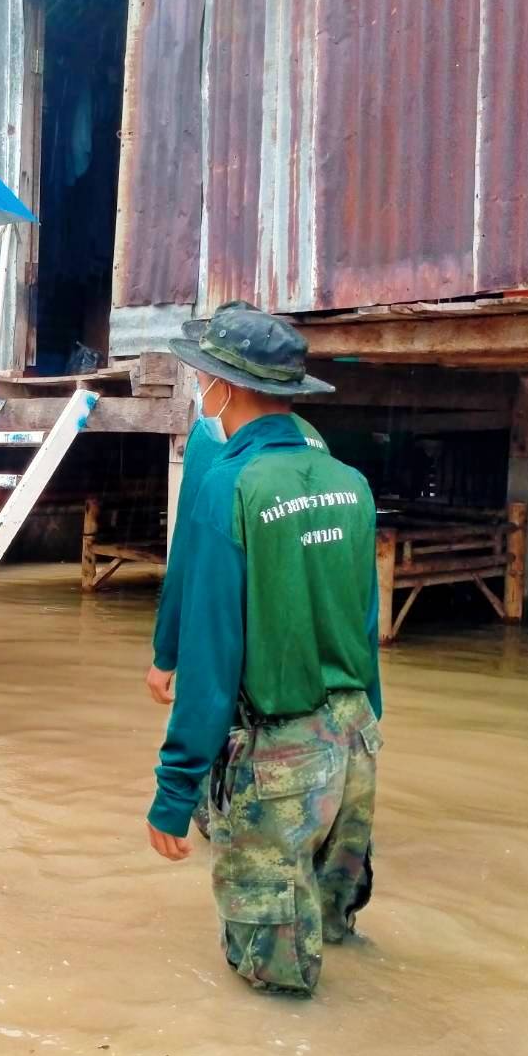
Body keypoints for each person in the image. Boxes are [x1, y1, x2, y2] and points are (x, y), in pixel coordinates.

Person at [145, 307, 383, 997]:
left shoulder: (229, 486)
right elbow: (365, 635)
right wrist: (370, 733)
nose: (199, 392)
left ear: (220, 386)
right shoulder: (350, 482)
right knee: (334, 933)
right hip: (355, 748)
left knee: (274, 988)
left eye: (201, 379)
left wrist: (172, 791)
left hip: (277, 760)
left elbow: (213, 664)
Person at [145, 301, 329, 838]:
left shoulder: (214, 440)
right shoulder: (315, 444)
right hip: (315, 671)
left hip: (244, 649)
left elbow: (191, 555)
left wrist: (166, 653)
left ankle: (211, 813)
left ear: (225, 379)